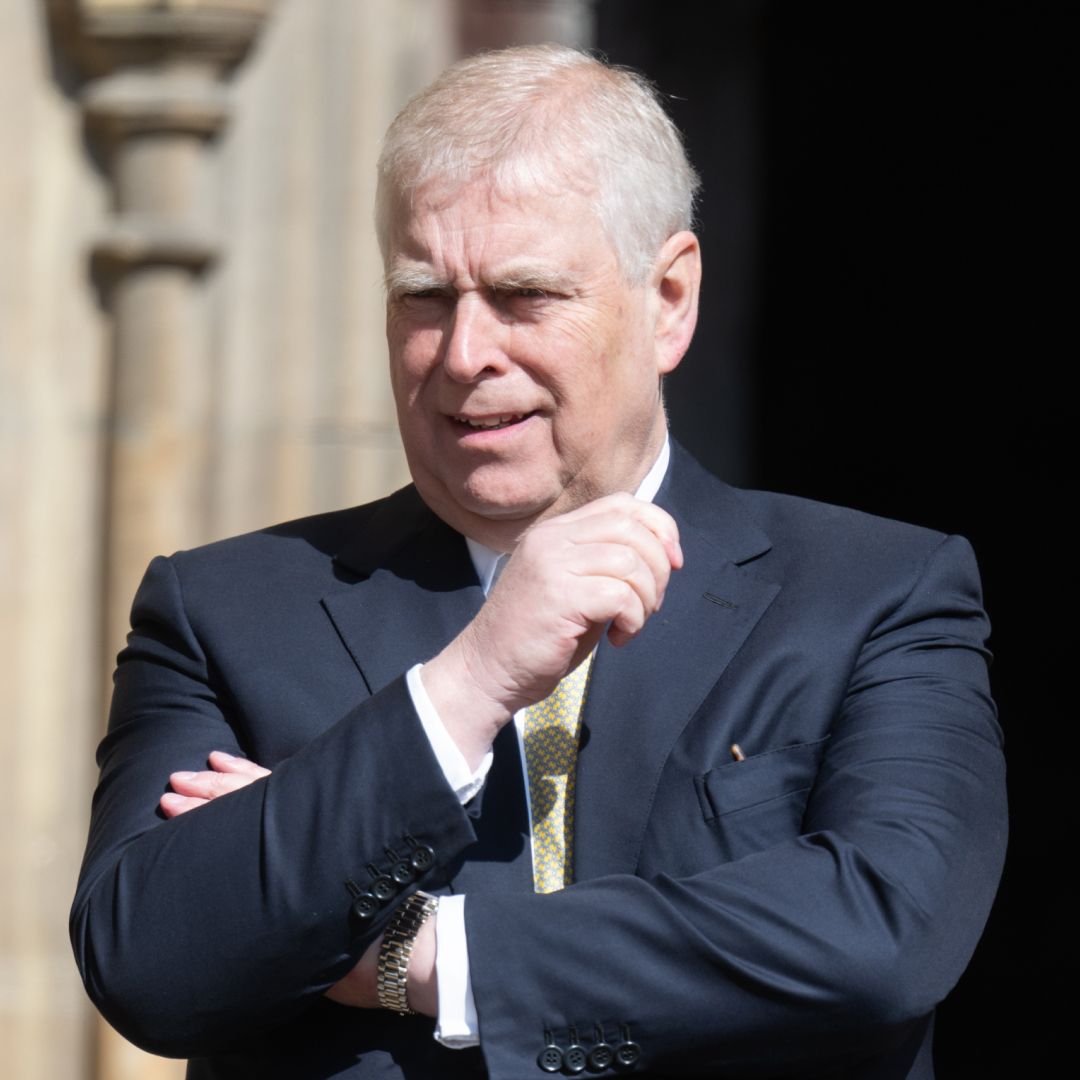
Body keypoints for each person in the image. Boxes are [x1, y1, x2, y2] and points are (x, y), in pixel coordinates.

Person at [71, 44, 1006, 1080]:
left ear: (669, 299)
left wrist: (427, 955)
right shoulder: (228, 611)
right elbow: (148, 959)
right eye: (425, 297)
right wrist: (468, 683)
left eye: (522, 294)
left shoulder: (873, 596)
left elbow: (882, 935)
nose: (465, 352)